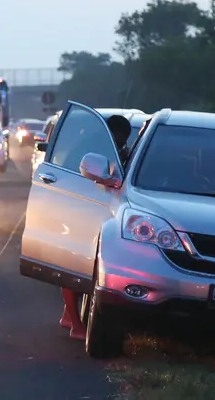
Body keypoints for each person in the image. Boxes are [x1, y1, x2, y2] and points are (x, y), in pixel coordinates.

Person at [58, 114, 133, 340]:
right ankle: (75, 324)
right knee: (73, 269)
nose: (121, 144)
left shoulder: (119, 151)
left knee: (86, 269)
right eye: (118, 139)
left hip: (98, 213)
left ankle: (67, 315)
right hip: (77, 210)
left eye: (123, 141)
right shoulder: (89, 148)